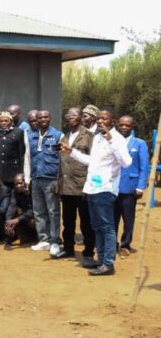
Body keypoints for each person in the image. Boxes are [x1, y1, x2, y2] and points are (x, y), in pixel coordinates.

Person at [61, 109, 132, 275]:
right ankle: (100, 260)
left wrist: (111, 140)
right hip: (92, 188)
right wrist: (71, 152)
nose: (100, 121)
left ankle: (108, 263)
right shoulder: (98, 138)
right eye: (99, 118)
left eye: (104, 119)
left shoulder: (117, 139)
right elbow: (91, 161)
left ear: (111, 121)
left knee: (106, 227)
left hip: (105, 189)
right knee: (97, 227)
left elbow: (126, 162)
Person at [58, 107, 94, 262]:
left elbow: (94, 160)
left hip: (82, 185)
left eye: (74, 115)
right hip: (66, 185)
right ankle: (68, 248)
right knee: (68, 221)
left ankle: (88, 253)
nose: (71, 117)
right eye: (68, 115)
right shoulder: (65, 136)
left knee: (86, 222)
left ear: (81, 118)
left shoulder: (89, 136)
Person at [27, 110, 64, 256]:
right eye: (40, 117)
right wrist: (27, 178)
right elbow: (27, 158)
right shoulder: (30, 136)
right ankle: (44, 239)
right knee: (38, 211)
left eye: (45, 117)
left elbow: (63, 160)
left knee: (53, 211)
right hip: (36, 178)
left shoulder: (58, 135)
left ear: (50, 118)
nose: (43, 119)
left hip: (51, 180)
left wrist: (60, 180)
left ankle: (55, 241)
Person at [114, 115, 149, 258]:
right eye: (121, 125)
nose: (123, 127)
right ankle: (112, 244)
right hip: (113, 187)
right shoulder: (113, 142)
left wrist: (140, 187)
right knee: (112, 218)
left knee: (128, 219)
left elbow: (144, 167)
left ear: (132, 127)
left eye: (127, 125)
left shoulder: (139, 144)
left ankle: (125, 244)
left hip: (130, 188)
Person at [0, 112, 28, 187]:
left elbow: (21, 154)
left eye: (6, 121)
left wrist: (22, 172)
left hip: (13, 171)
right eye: (1, 121)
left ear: (11, 122)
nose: (4, 123)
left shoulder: (18, 132)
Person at [4, 173, 38, 245]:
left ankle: (38, 237)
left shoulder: (33, 191)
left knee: (29, 220)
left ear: (25, 182)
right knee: (16, 213)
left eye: (20, 183)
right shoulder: (14, 192)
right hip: (25, 216)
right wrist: (8, 222)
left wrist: (18, 219)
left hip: (35, 216)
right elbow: (12, 206)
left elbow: (34, 210)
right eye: (16, 184)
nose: (18, 186)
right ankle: (24, 237)